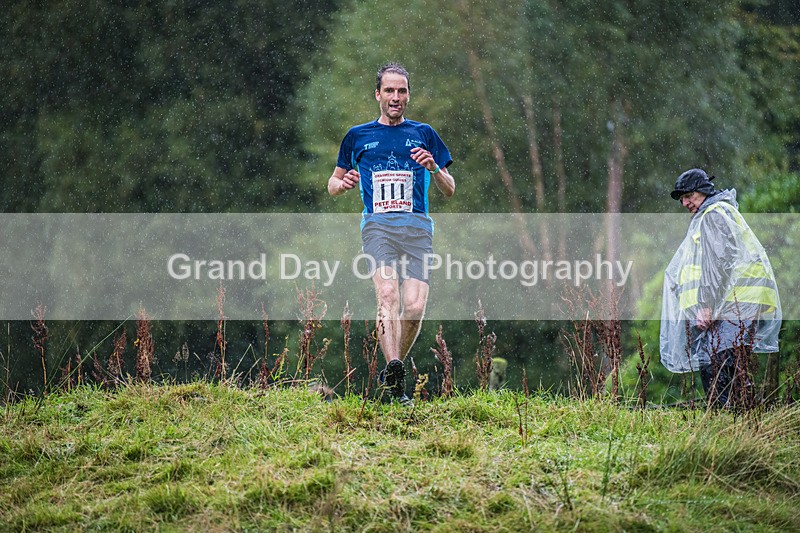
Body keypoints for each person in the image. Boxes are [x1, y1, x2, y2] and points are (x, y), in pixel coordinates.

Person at [328, 63, 455, 405]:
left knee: (413, 308)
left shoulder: (424, 133)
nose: (396, 97)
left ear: (408, 95)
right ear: (378, 95)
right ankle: (396, 374)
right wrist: (343, 184)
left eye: (402, 91)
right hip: (378, 228)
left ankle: (390, 371)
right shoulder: (358, 136)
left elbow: (449, 188)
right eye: (389, 91)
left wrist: (432, 167)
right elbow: (333, 183)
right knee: (387, 295)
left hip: (417, 230)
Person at [660, 168, 781, 407]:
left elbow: (717, 263)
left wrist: (707, 305)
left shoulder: (714, 215)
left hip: (734, 301)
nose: (684, 203)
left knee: (722, 366)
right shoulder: (715, 213)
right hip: (734, 301)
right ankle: (738, 421)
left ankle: (733, 423)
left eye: (688, 196)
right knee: (724, 364)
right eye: (682, 198)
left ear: (702, 191)